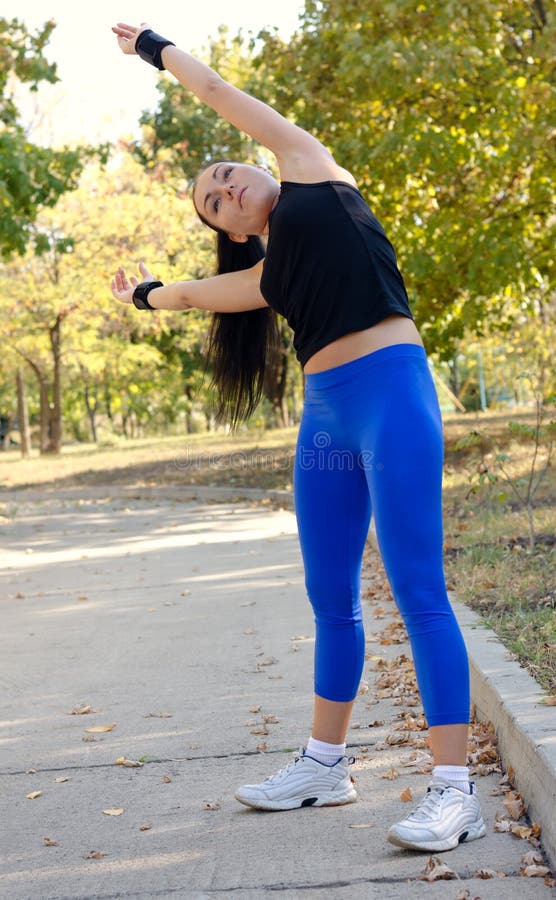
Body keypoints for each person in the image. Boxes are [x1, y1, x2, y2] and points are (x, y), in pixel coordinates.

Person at [110, 21, 486, 853]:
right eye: (213, 201)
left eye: (226, 173)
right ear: (231, 227)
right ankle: (325, 765)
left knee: (419, 589)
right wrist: (140, 294)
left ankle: (454, 791)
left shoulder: (312, 170)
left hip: (392, 394)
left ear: (253, 164)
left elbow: (213, 91)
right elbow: (192, 296)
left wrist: (153, 48)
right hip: (326, 420)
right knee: (331, 598)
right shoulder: (262, 274)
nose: (227, 188)